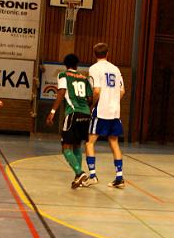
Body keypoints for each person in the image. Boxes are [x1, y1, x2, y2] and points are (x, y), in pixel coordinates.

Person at [46, 52, 92, 188]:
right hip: (86, 114)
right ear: (77, 65)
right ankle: (79, 178)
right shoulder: (84, 78)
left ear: (65, 65)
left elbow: (61, 92)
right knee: (77, 145)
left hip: (73, 113)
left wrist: (52, 112)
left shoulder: (63, 75)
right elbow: (90, 99)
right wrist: (85, 108)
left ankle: (79, 172)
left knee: (65, 147)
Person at [85, 42, 125, 188]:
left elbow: (96, 91)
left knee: (90, 143)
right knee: (114, 143)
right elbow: (122, 91)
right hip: (114, 111)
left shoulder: (94, 69)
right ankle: (119, 178)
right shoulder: (115, 69)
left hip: (101, 110)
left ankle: (92, 175)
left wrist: (92, 105)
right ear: (107, 54)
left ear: (94, 54)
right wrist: (113, 101)